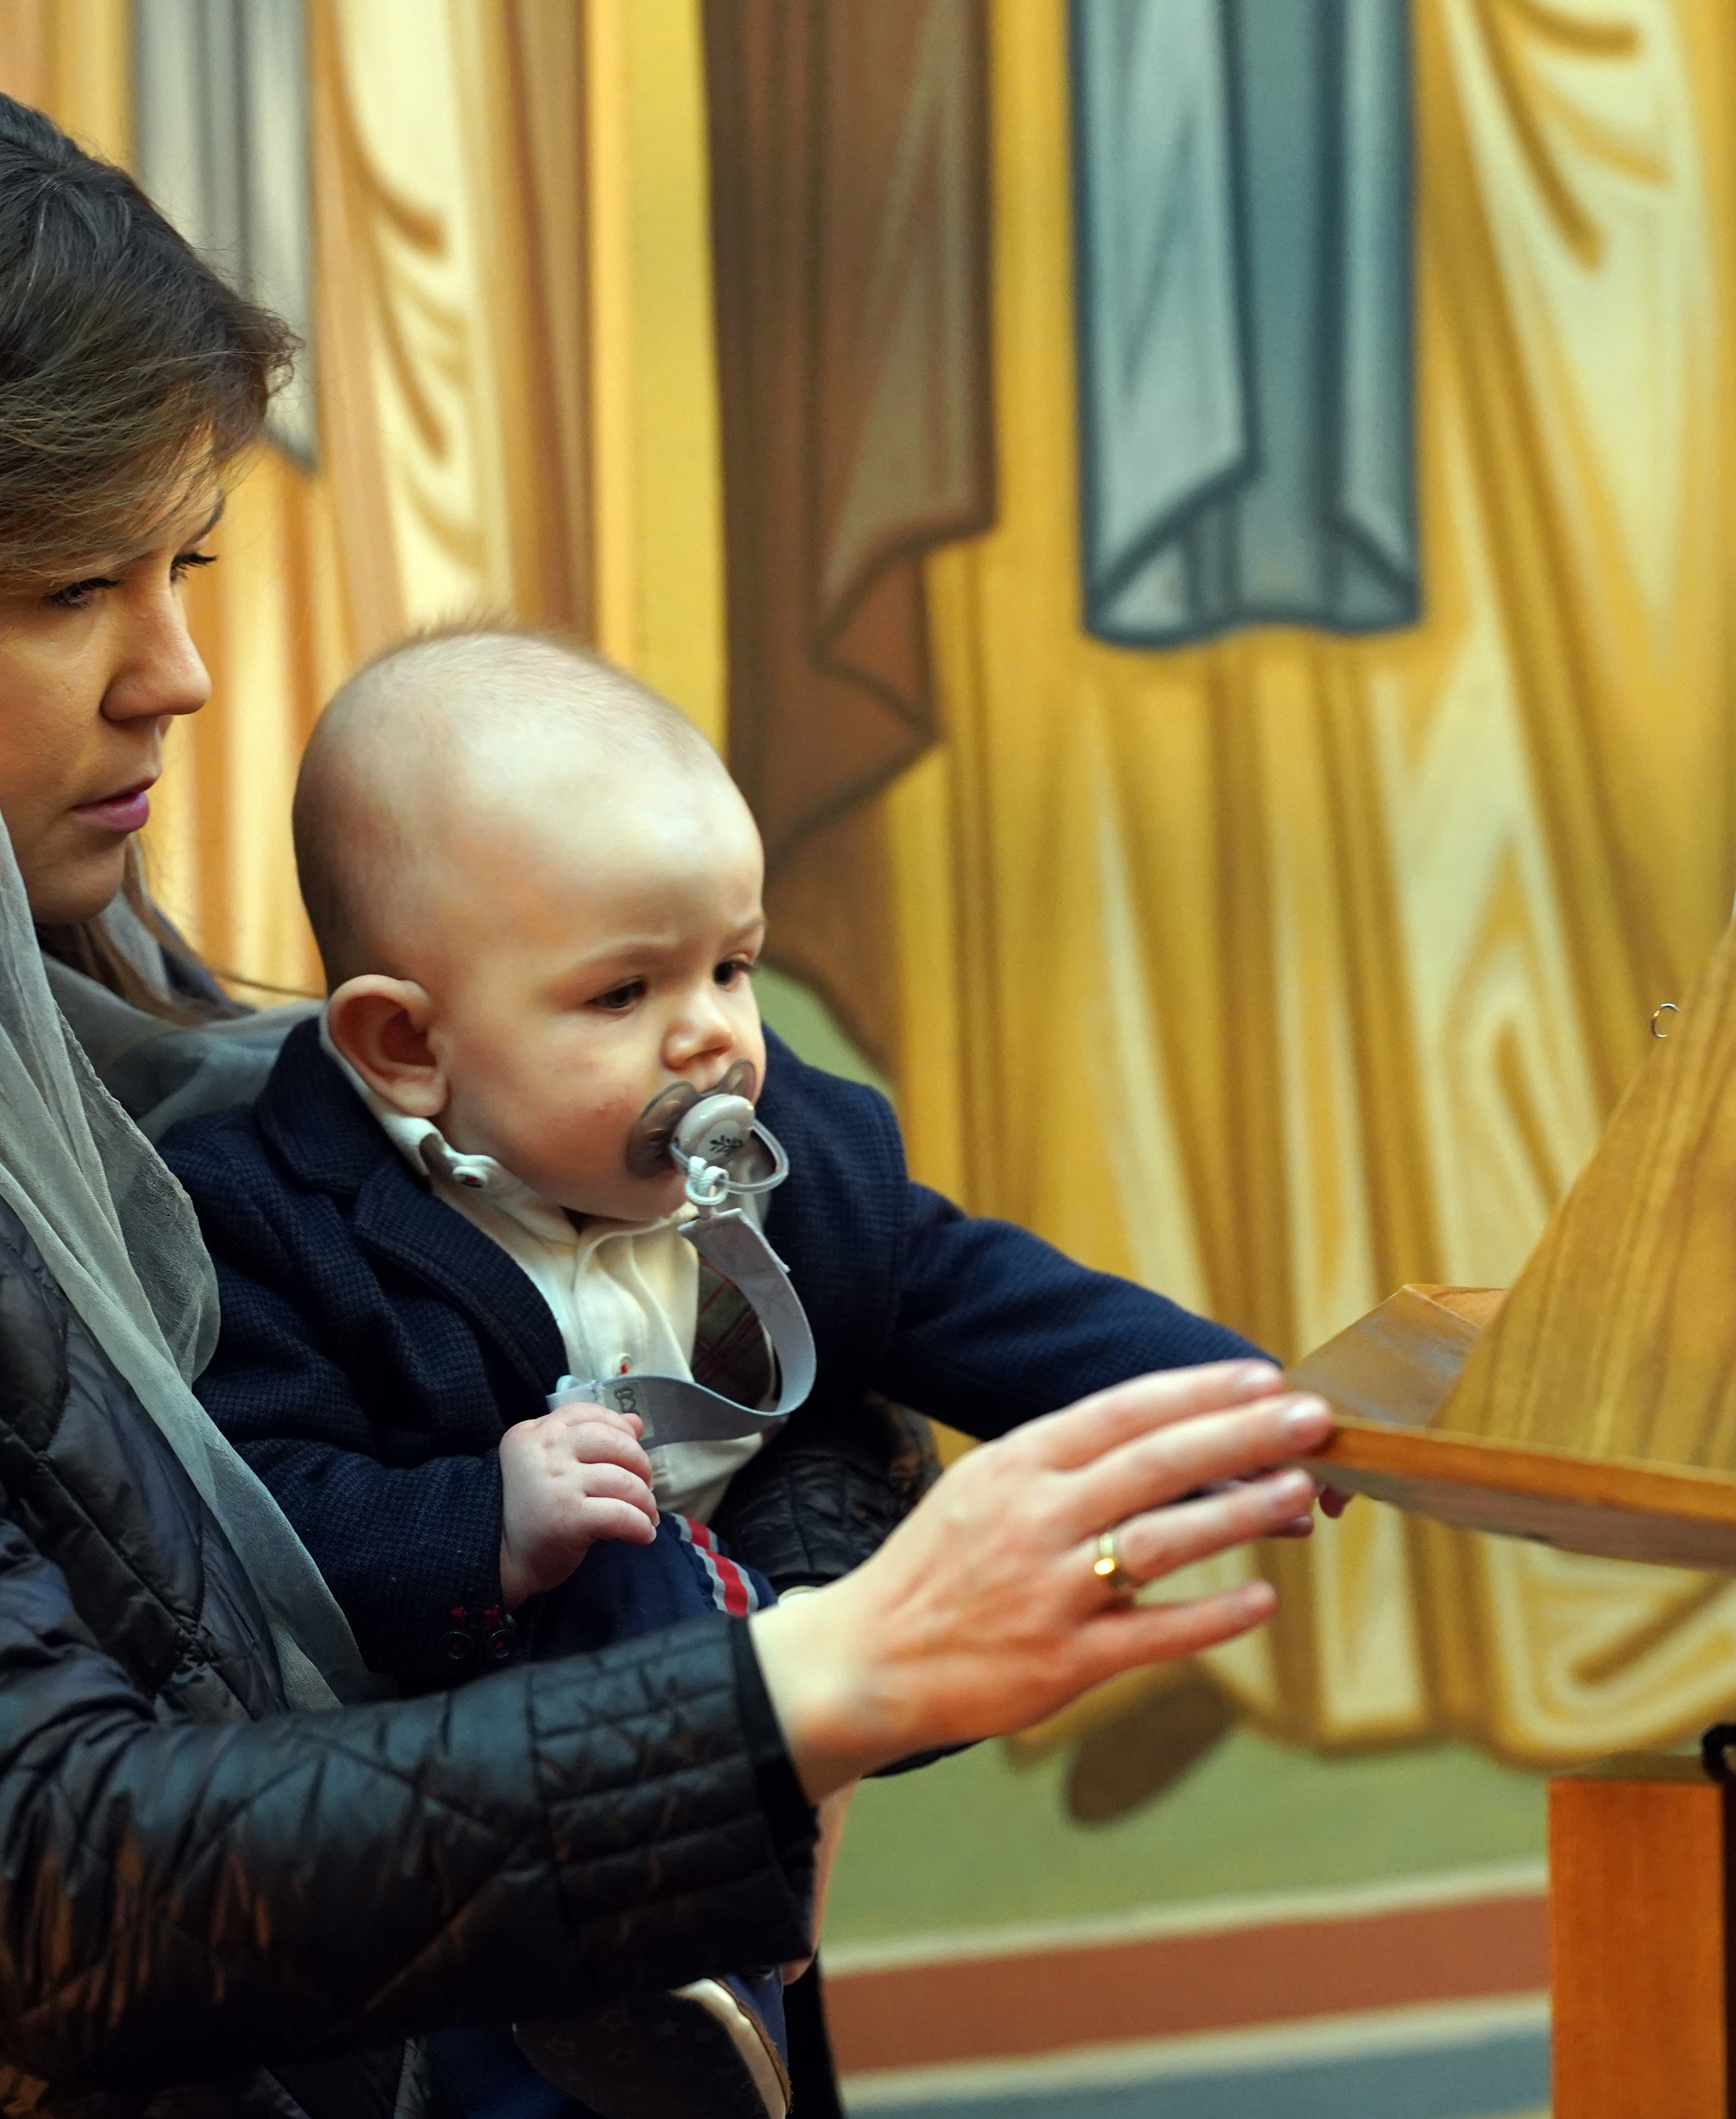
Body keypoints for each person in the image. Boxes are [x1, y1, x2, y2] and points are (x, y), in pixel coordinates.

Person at [0, 71, 1335, 2119]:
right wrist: (790, 1684)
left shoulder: (18, 946)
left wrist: (800, 1597)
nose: (171, 672)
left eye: (177, 564)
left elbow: (667, 1341)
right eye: (62, 588)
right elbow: (42, 1867)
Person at [162, 631, 1284, 2118]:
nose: (713, 1033)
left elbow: (972, 1292)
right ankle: (638, 2005)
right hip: (475, 1789)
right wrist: (481, 1519)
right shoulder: (262, 1217)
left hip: (749, 1698)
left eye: (733, 965)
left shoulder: (790, 1150)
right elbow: (263, 1514)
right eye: (623, 994)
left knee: (751, 2030)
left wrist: (1240, 1410)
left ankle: (713, 2009)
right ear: (405, 1045)